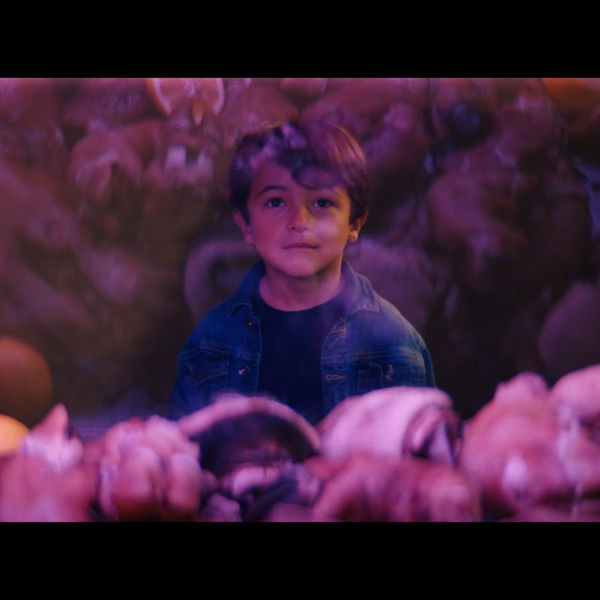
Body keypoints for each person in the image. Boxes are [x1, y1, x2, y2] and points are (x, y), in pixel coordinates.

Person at [168, 120, 436, 424]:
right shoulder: (212, 339)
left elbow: (420, 445)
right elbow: (182, 442)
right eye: (276, 202)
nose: (299, 221)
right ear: (245, 224)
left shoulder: (391, 342)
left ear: (354, 223)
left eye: (322, 203)